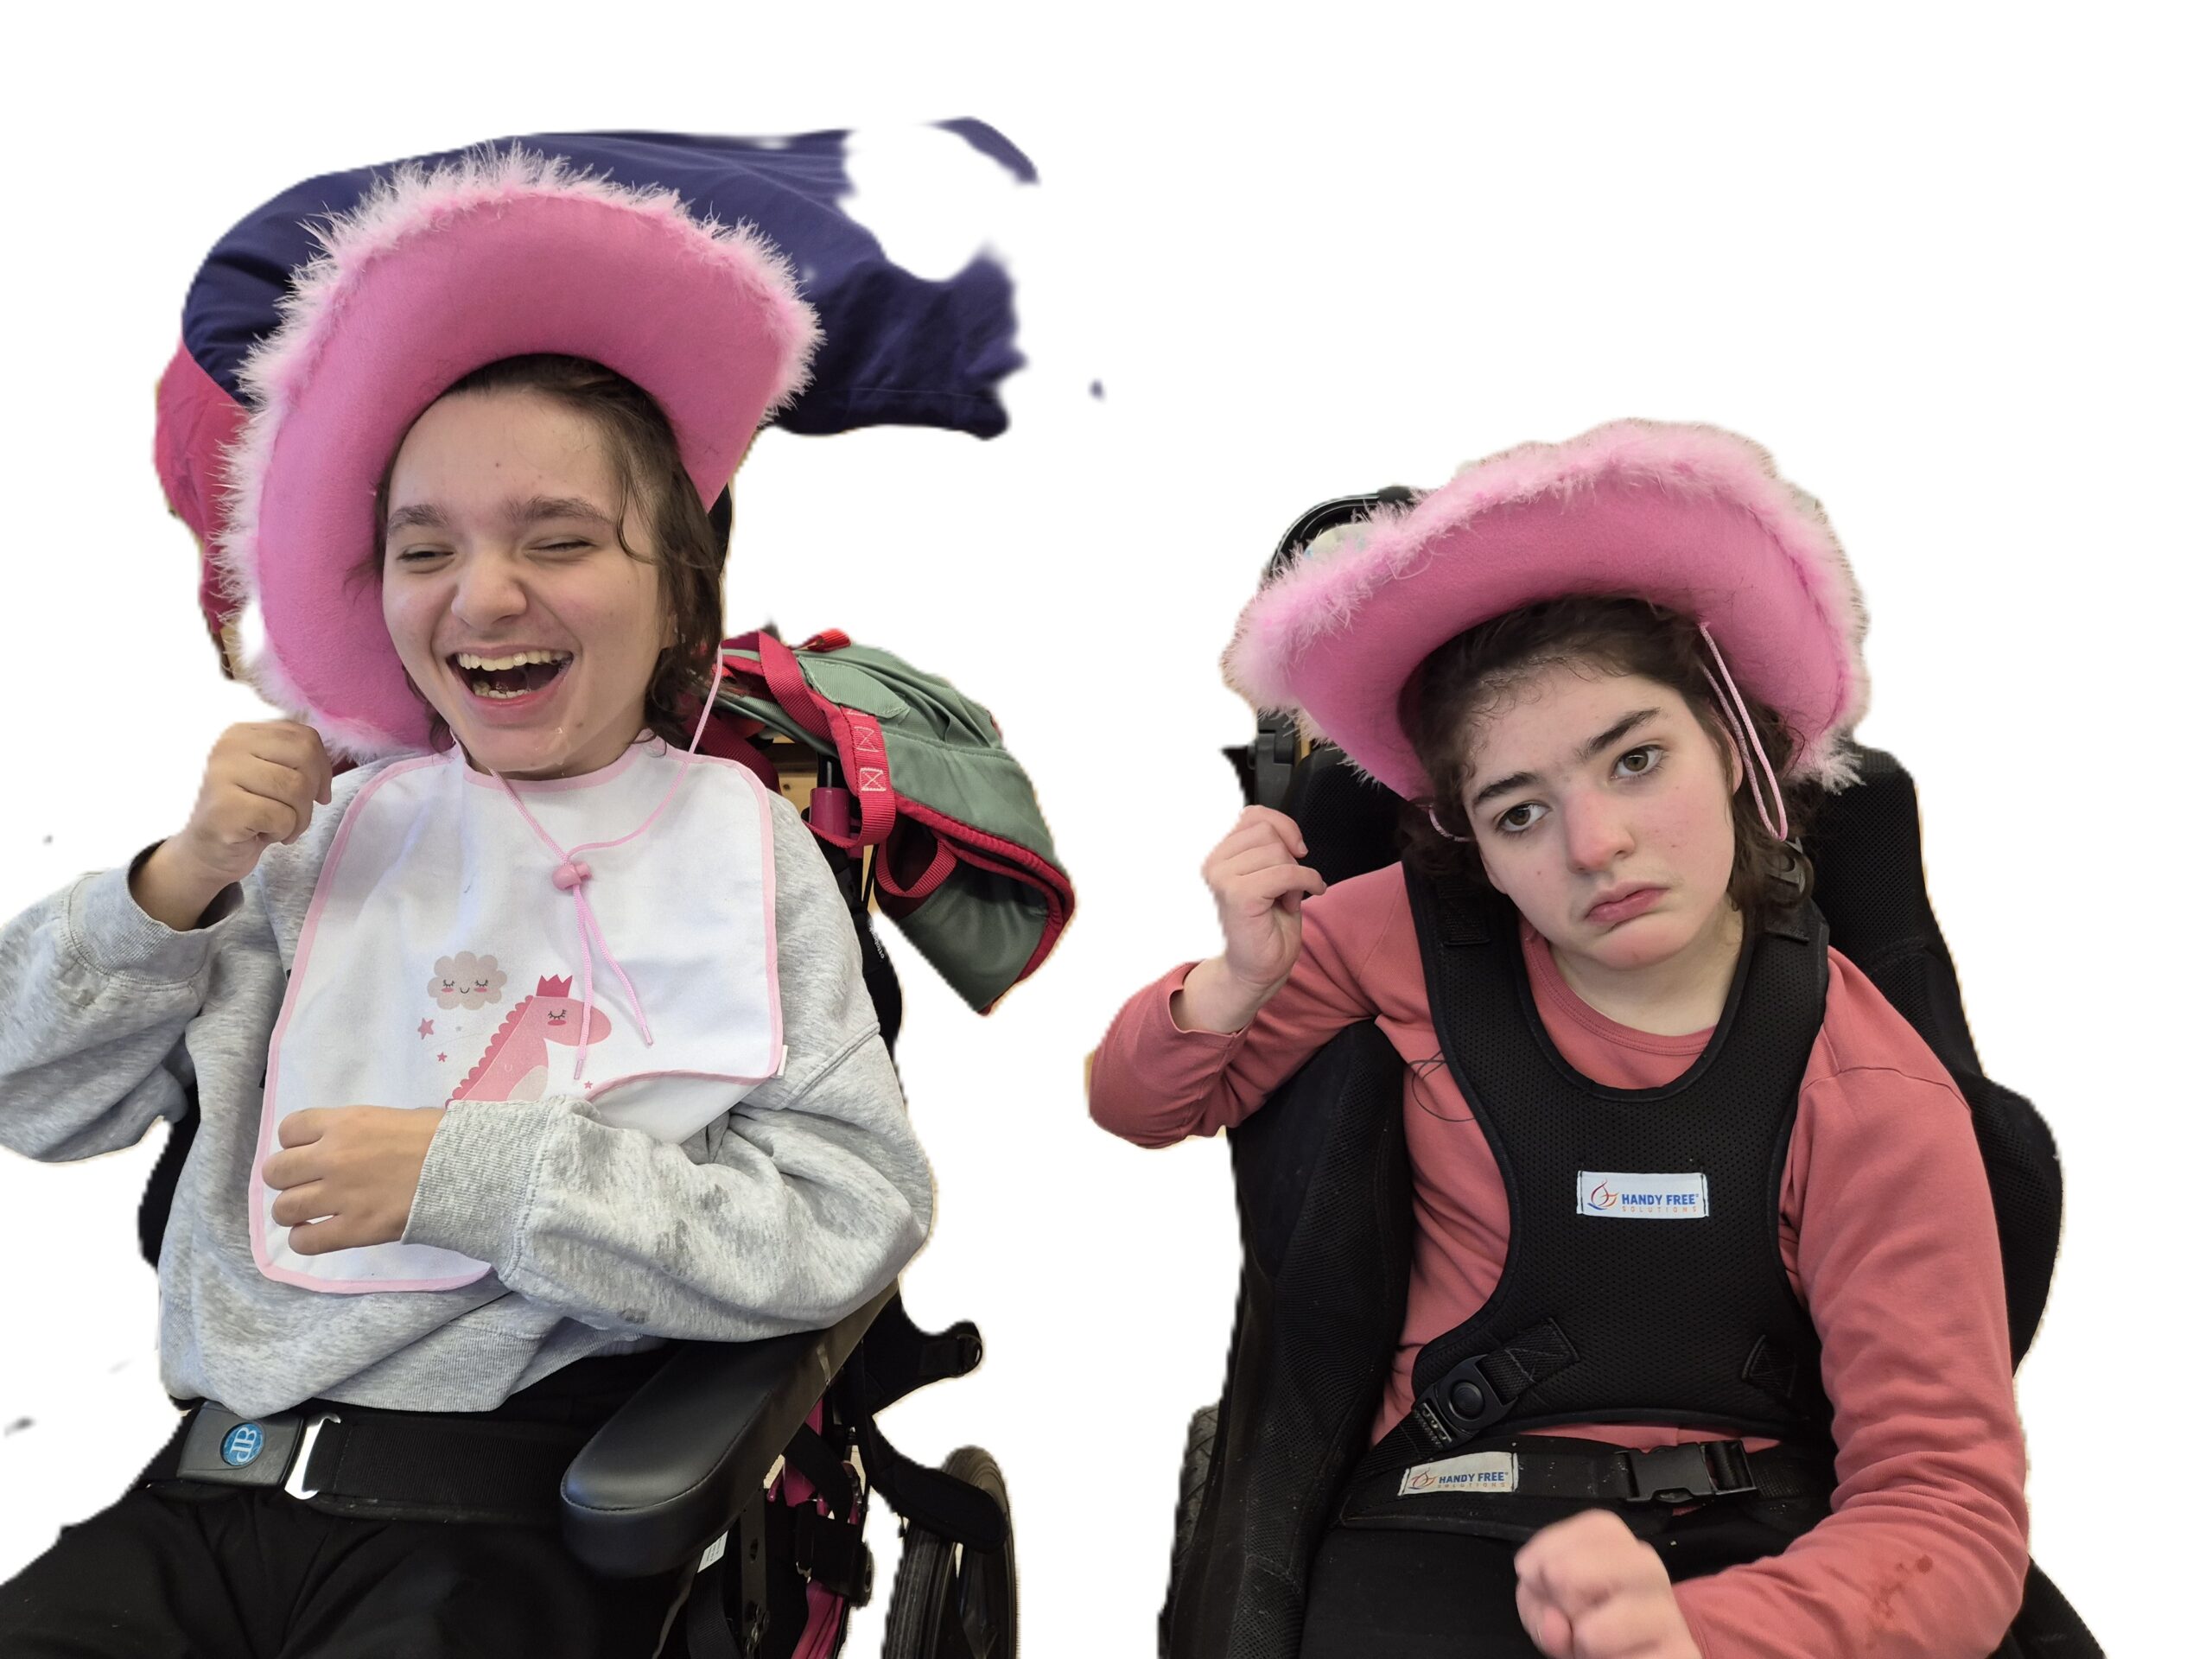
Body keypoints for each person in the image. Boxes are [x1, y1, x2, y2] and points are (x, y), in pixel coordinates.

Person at [0, 152, 931, 1656]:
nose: (483, 594)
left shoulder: (742, 856)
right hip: (196, 1505)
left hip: (496, 1520)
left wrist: (478, 1177)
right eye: (423, 550)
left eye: (558, 541)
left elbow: (849, 1219)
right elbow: (27, 1096)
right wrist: (172, 887)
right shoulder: (318, 839)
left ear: (678, 590)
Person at [1090, 421, 2029, 1658]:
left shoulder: (1873, 1086)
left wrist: (1696, 1638)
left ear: (1736, 749)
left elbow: (1946, 1509)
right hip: (1443, 1507)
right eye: (1520, 812)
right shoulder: (1399, 937)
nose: (1594, 848)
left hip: (1769, 1540)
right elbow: (1139, 1104)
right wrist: (1233, 982)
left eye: (1635, 761)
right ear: (1470, 845)